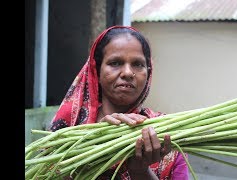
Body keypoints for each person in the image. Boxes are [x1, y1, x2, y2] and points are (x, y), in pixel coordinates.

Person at [49, 25, 189, 180]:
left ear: (148, 72)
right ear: (97, 70)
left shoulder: (167, 134)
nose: (128, 73)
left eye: (138, 64)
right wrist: (93, 145)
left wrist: (141, 172)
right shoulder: (68, 132)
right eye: (115, 63)